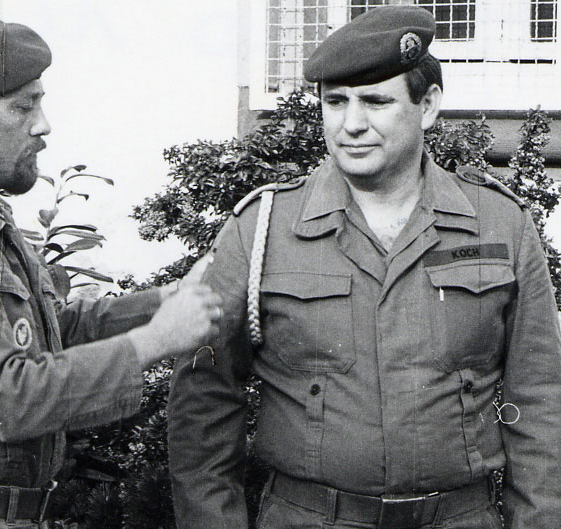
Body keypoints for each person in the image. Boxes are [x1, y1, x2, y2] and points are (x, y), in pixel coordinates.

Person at [167, 6, 561, 529]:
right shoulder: (261, 229)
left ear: (427, 106)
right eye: (335, 102)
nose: (351, 124)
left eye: (375, 101)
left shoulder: (500, 223)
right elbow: (204, 404)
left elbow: (541, 399)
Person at [0, 17, 220, 529]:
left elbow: (52, 333)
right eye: (23, 107)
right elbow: (14, 398)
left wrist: (168, 300)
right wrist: (156, 340)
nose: (43, 125)